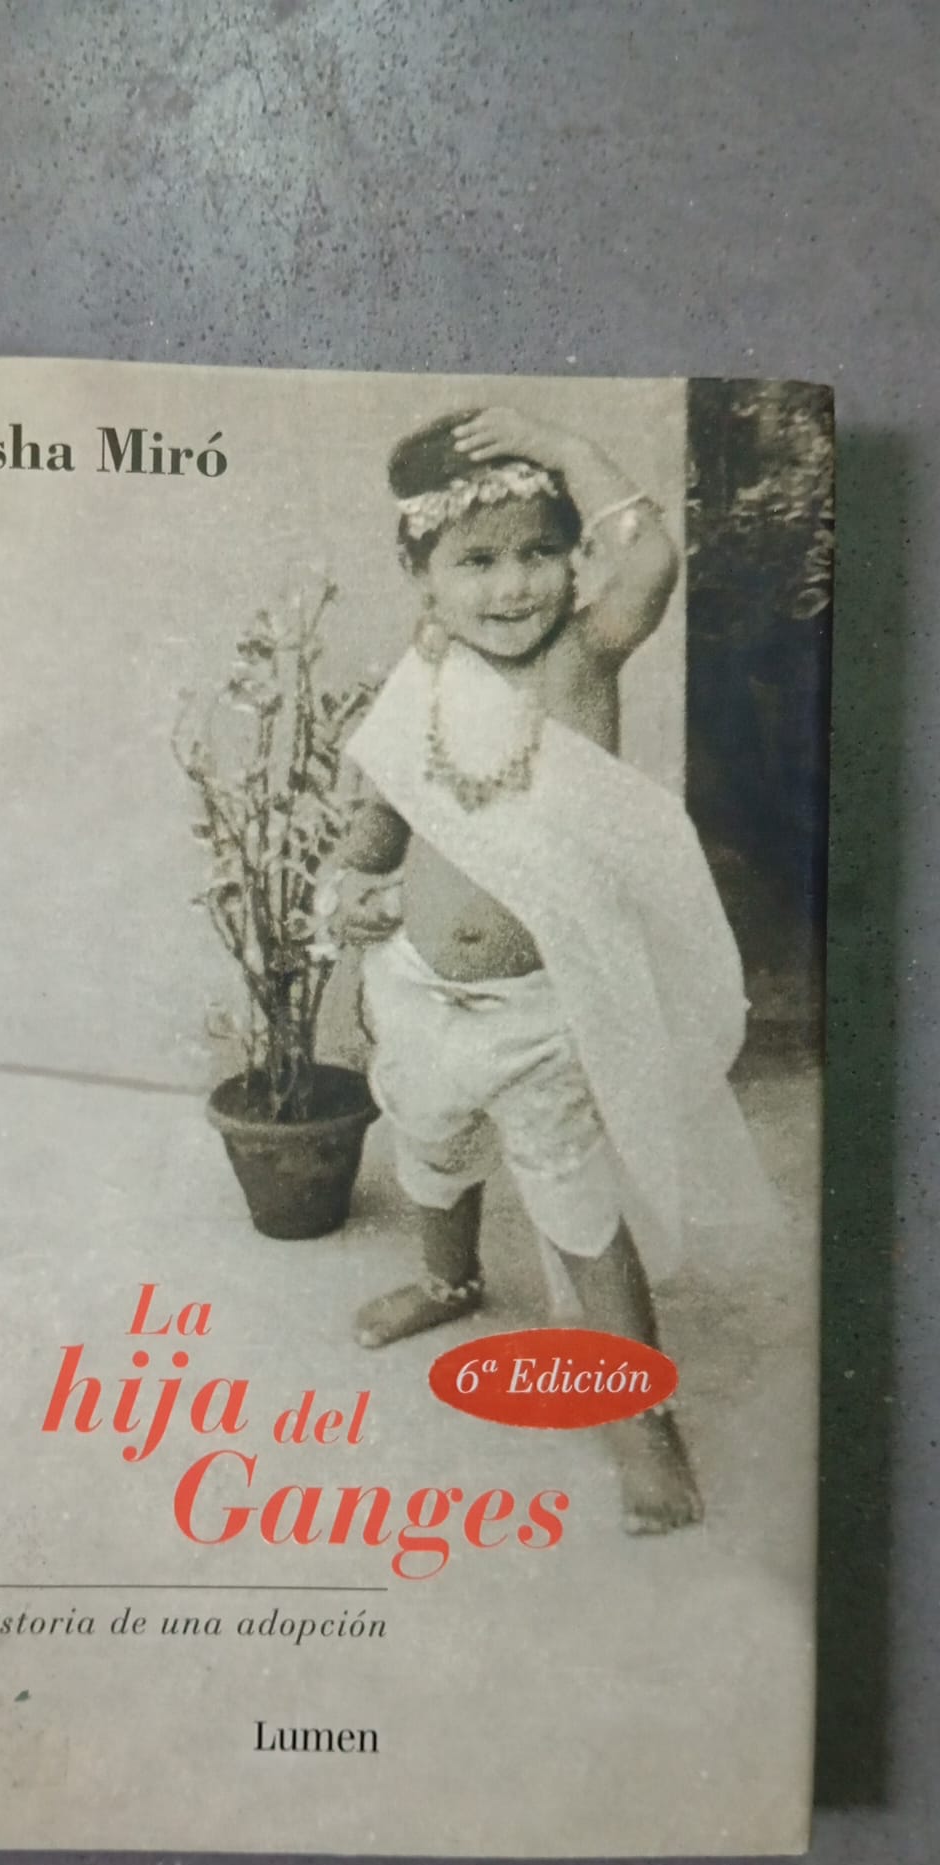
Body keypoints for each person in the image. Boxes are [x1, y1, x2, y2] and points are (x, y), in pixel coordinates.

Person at [336, 405, 769, 1534]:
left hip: (539, 1012)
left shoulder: (581, 656)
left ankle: (640, 1409)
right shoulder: (422, 675)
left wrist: (564, 446)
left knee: (577, 1207)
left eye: (540, 552)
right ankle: (449, 1280)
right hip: (419, 988)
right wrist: (352, 872)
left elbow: (651, 559)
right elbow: (387, 806)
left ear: (576, 563)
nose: (513, 585)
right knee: (431, 1146)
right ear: (421, 580)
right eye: (476, 562)